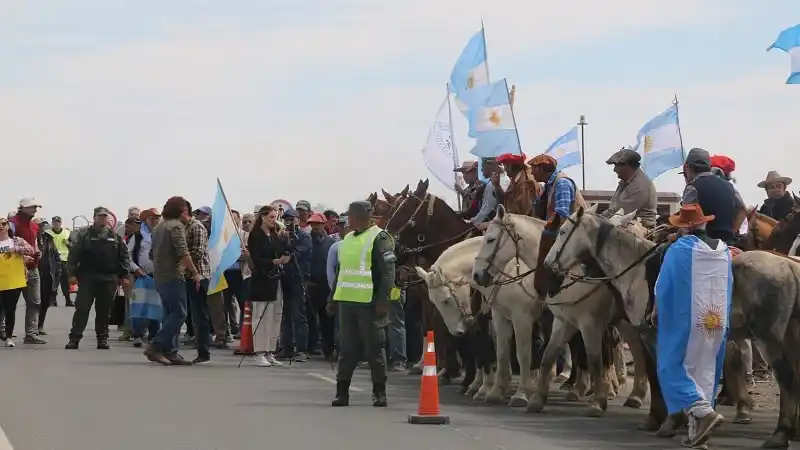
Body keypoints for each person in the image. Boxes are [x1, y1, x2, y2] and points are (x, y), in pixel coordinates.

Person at [654, 203, 729, 447]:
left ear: (685, 228)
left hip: (686, 319)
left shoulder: (679, 249)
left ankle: (702, 410)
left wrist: (657, 309)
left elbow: (664, 286)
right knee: (706, 370)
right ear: (704, 223)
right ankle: (697, 433)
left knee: (670, 366)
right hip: (716, 318)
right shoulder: (725, 250)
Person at [326, 201, 396, 407]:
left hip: (370, 304)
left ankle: (379, 392)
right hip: (347, 302)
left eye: (352, 215)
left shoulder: (380, 237)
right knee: (347, 350)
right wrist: (332, 299)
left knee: (375, 349)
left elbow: (388, 272)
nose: (349, 219)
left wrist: (384, 300)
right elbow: (341, 271)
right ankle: (342, 392)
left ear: (365, 215)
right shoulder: (347, 238)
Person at [145, 196, 201, 365]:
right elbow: (183, 252)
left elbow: (151, 253)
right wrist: (195, 272)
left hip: (160, 275)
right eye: (184, 208)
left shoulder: (158, 226)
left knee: (169, 313)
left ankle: (171, 352)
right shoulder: (175, 227)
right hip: (173, 275)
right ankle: (155, 345)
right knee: (179, 313)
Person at [66, 207, 132, 350]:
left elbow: (124, 257)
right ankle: (74, 339)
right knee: (82, 309)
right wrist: (71, 274)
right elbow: (73, 256)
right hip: (87, 278)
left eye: (105, 217)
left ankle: (102, 339)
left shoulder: (115, 237)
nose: (103, 219)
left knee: (104, 311)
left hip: (109, 279)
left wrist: (124, 275)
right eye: (100, 217)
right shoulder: (84, 235)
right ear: (94, 218)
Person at [528, 154, 586, 296]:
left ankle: (552, 287)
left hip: (574, 232)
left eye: (533, 169)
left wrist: (542, 228)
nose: (531, 173)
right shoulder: (549, 184)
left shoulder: (562, 183)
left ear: (542, 169)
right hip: (561, 230)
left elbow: (562, 215)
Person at [247, 205, 287, 367]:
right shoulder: (255, 235)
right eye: (271, 217)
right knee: (261, 317)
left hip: (274, 278)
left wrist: (285, 245)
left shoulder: (274, 234)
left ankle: (270, 349)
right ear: (262, 217)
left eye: (275, 217)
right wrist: (272, 261)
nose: (273, 220)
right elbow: (256, 258)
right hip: (261, 279)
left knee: (274, 315)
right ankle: (259, 351)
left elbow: (280, 250)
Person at [680, 148, 744, 245]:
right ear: (709, 166)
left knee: (660, 252)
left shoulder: (692, 187)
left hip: (702, 243)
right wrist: (733, 232)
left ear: (687, 167)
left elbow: (686, 223)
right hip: (728, 243)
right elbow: (743, 209)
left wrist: (674, 236)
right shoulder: (729, 186)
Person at [9, 198, 47, 344]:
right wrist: (21, 256)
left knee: (35, 302)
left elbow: (35, 242)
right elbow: (5, 243)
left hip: (33, 269)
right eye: (32, 207)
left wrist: (37, 251)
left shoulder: (33, 226)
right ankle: (5, 331)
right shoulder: (12, 223)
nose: (35, 210)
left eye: (36, 207)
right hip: (15, 269)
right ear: (23, 208)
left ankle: (31, 334)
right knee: (9, 302)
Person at [277, 208, 312, 361]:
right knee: (286, 314)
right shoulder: (282, 236)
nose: (289, 222)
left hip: (299, 277)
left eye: (291, 219)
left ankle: (301, 349)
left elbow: (299, 253)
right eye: (286, 220)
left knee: (299, 314)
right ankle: (286, 346)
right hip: (285, 277)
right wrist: (283, 241)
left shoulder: (304, 237)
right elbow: (279, 252)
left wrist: (290, 251)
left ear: (298, 220)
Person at [128, 208, 161, 347]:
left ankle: (154, 335)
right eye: (152, 218)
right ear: (146, 220)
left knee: (156, 306)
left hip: (159, 277)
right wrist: (135, 268)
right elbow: (127, 255)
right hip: (142, 276)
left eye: (157, 218)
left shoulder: (163, 234)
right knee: (139, 306)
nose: (155, 220)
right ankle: (137, 334)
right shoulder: (137, 236)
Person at [0, 217, 36, 347]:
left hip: (13, 281)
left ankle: (9, 337)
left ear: (8, 226)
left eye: (4, 224)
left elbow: (31, 250)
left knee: (10, 309)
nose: (1, 226)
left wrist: (16, 250)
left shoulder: (16, 241)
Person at [185, 204, 214, 364]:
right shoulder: (184, 227)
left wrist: (180, 261)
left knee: (199, 315)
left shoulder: (197, 227)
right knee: (190, 315)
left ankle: (204, 352)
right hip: (187, 276)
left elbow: (198, 252)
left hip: (199, 276)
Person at [601, 148, 658, 228]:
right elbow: (612, 211)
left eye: (616, 165)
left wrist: (597, 220)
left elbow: (619, 214)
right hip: (624, 227)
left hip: (639, 231)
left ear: (626, 165)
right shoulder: (626, 182)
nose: (614, 170)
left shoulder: (639, 185)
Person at [306, 213, 336, 358]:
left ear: (324, 224)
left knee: (327, 318)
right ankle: (312, 345)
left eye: (318, 224)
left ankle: (328, 347)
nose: (315, 227)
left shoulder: (331, 243)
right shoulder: (307, 240)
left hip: (326, 285)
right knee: (310, 317)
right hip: (311, 283)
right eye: (312, 224)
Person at [493, 152, 541, 217]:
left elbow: (520, 213)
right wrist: (497, 185)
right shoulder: (516, 180)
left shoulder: (525, 183)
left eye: (505, 165)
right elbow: (506, 201)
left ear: (510, 166)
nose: (504, 168)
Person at [37, 221, 62, 335]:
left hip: (47, 275)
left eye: (42, 226)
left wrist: (57, 271)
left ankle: (39, 326)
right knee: (33, 303)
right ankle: (30, 328)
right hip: (32, 274)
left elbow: (56, 256)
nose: (41, 228)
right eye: (38, 226)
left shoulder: (48, 239)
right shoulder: (29, 238)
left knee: (44, 301)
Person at [46, 216, 72, 306]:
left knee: (65, 281)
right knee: (53, 281)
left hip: (64, 260)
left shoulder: (67, 233)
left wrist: (68, 243)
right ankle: (53, 300)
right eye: (55, 222)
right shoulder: (47, 233)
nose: (57, 224)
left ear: (61, 223)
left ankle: (68, 300)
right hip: (52, 261)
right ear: (52, 223)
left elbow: (73, 246)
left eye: (58, 222)